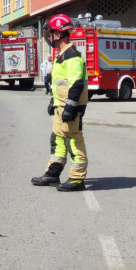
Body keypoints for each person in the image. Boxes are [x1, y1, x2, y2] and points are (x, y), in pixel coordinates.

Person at [32, 14, 89, 191]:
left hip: (69, 107)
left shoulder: (71, 55)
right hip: (61, 105)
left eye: (50, 33)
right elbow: (60, 83)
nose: (49, 37)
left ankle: (77, 180)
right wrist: (53, 102)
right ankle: (52, 174)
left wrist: (70, 108)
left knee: (73, 141)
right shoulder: (61, 55)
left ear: (58, 35)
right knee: (57, 139)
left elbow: (76, 83)